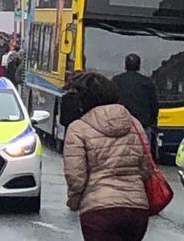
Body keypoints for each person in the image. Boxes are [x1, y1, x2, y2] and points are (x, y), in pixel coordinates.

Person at [63, 71, 152, 241]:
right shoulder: (134, 123)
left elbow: (76, 176)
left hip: (99, 209)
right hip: (137, 209)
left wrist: (74, 201)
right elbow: (146, 166)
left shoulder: (78, 128)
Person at [112, 54, 159, 145]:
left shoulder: (116, 81)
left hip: (121, 126)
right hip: (142, 126)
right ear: (139, 66)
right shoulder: (146, 82)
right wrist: (152, 122)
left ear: (125, 65)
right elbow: (154, 106)